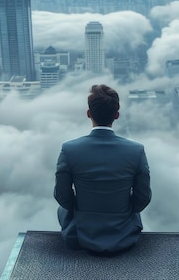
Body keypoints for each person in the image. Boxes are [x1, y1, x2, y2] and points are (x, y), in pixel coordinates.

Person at [54, 84, 152, 254]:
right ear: (116, 115)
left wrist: (81, 208)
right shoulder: (136, 151)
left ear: (88, 114)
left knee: (62, 209)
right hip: (124, 234)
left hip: (80, 233)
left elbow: (62, 196)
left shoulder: (69, 149)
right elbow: (142, 199)